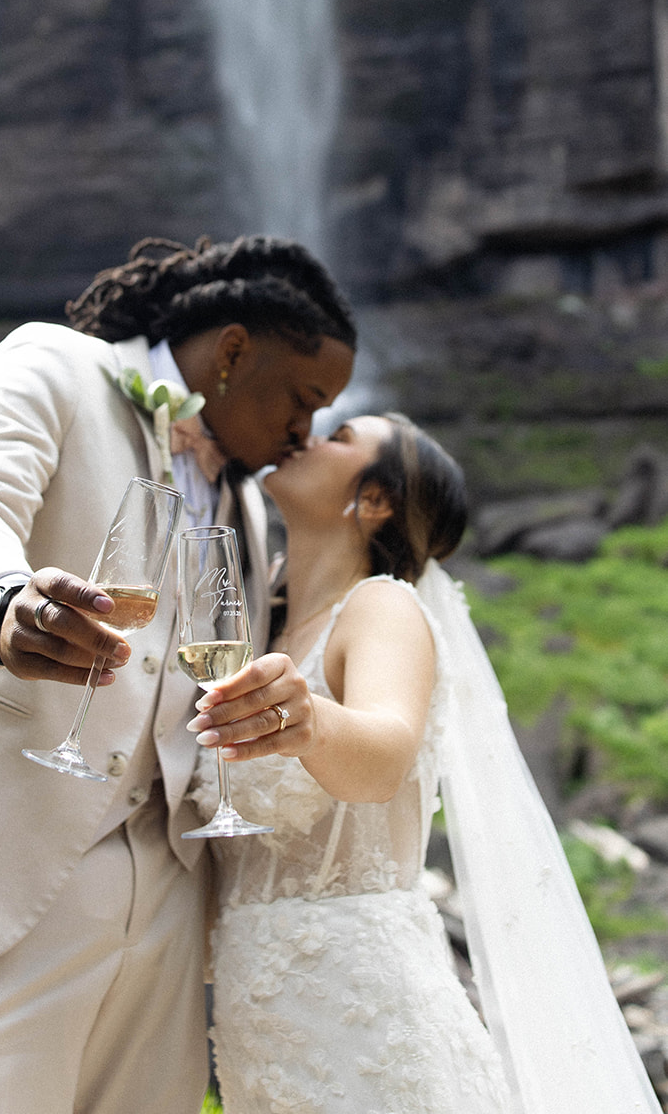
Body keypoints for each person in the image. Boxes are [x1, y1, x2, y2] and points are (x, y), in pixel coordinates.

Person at [0, 236, 356, 1114]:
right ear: (231, 352)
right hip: (0, 860)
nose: (306, 432)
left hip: (171, 896)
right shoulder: (55, 364)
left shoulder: (253, 514)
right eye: (305, 399)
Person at [188, 413, 662, 1114]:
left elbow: (383, 755)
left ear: (374, 501)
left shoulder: (381, 607)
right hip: (261, 1023)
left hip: (363, 1014)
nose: (306, 435)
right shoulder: (258, 621)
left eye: (340, 436)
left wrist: (309, 718)